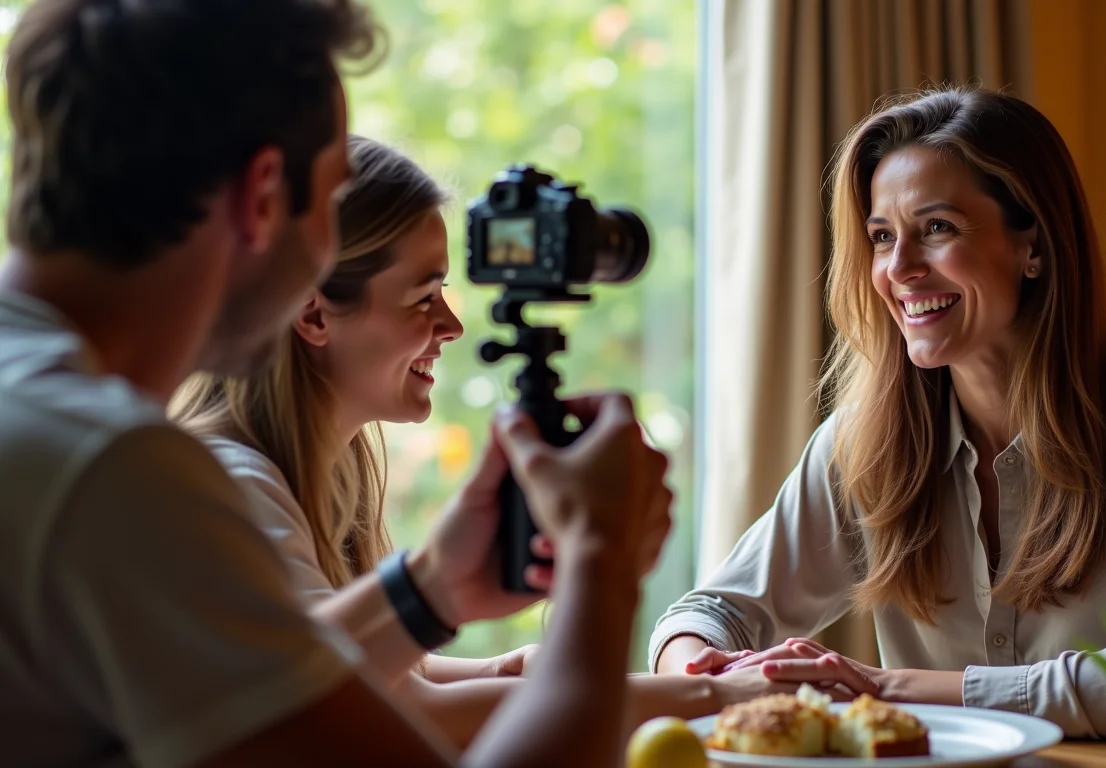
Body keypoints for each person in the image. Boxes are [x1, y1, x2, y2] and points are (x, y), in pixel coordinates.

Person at [0, 2, 671, 766]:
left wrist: (428, 590)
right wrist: (599, 564)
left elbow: (253, 693)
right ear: (260, 197)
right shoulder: (109, 469)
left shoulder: (42, 425)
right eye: (327, 199)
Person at [650, 87, 1106, 740]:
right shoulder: (866, 442)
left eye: (937, 228)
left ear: (1036, 245)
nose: (899, 269)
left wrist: (886, 689)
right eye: (882, 237)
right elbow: (711, 610)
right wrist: (715, 677)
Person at [169, 135, 805, 748]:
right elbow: (410, 713)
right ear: (313, 314)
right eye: (423, 297)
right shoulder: (238, 488)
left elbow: (380, 671)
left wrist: (512, 666)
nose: (450, 324)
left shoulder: (329, 473)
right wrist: (728, 697)